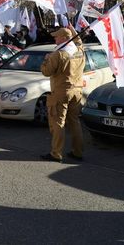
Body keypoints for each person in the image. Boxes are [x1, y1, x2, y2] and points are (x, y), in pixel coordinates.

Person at [40, 27, 85, 162]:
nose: (55, 39)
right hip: (77, 90)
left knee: (58, 122)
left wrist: (46, 60)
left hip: (61, 91)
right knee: (75, 122)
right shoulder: (80, 51)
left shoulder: (58, 54)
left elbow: (46, 72)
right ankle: (78, 152)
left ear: (65, 38)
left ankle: (56, 153)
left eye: (57, 37)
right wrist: (71, 28)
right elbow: (79, 40)